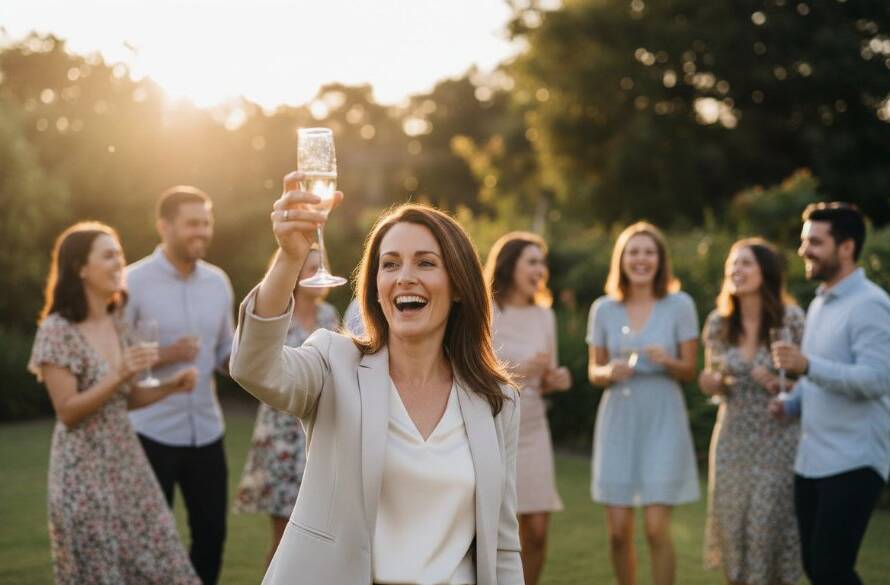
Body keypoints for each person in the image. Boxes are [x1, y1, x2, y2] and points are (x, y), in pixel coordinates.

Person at [229, 172, 523, 584]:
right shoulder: (334, 363)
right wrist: (289, 257)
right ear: (376, 286)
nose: (404, 277)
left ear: (458, 286)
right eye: (390, 264)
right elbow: (253, 366)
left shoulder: (497, 401)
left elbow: (502, 543)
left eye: (425, 263)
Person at [28, 221, 200, 585]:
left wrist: (171, 386)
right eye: (108, 256)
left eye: (119, 254)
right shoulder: (57, 330)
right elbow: (68, 412)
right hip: (82, 474)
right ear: (80, 267)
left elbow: (124, 399)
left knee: (165, 562)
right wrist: (120, 373)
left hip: (127, 465)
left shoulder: (118, 322)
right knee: (100, 573)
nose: (119, 262)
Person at [770, 202, 890, 585]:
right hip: (812, 459)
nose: (804, 250)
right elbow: (819, 377)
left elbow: (877, 379)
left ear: (846, 247)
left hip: (854, 460)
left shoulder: (871, 304)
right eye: (804, 241)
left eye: (815, 242)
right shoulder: (820, 302)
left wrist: (806, 366)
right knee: (817, 569)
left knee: (831, 570)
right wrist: (791, 403)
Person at [125, 186, 235, 585]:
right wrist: (166, 354)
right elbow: (114, 355)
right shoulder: (132, 281)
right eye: (192, 224)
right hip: (151, 432)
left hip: (207, 431)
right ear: (164, 226)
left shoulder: (218, 282)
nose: (202, 232)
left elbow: (225, 350)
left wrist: (253, 366)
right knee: (150, 542)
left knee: (212, 535)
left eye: (206, 223)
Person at [586, 221, 700, 585]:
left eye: (649, 252)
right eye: (633, 252)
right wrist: (608, 371)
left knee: (655, 528)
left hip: (663, 417)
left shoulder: (680, 305)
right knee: (619, 532)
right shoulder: (603, 308)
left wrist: (668, 361)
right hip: (619, 417)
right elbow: (593, 371)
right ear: (621, 260)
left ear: (660, 260)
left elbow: (690, 370)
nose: (641, 259)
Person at [699, 238, 805, 585]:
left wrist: (781, 385)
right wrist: (711, 383)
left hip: (778, 437)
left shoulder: (791, 319)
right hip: (731, 437)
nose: (736, 269)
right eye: (733, 263)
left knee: (766, 528)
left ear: (766, 271)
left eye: (745, 263)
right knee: (733, 532)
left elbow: (809, 379)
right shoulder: (718, 322)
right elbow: (712, 378)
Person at [233, 247, 340, 565]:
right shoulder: (277, 313)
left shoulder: (329, 315)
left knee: (319, 536)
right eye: (311, 268)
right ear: (293, 274)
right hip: (280, 436)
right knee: (283, 540)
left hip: (317, 434)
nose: (318, 273)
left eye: (322, 265)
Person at [483, 231, 570, 585]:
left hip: (534, 428)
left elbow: (546, 375)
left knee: (536, 529)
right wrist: (519, 371)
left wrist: (556, 379)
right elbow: (470, 371)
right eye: (532, 261)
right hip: (492, 427)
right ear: (510, 265)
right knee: (493, 529)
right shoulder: (486, 311)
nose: (540, 270)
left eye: (542, 263)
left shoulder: (545, 315)